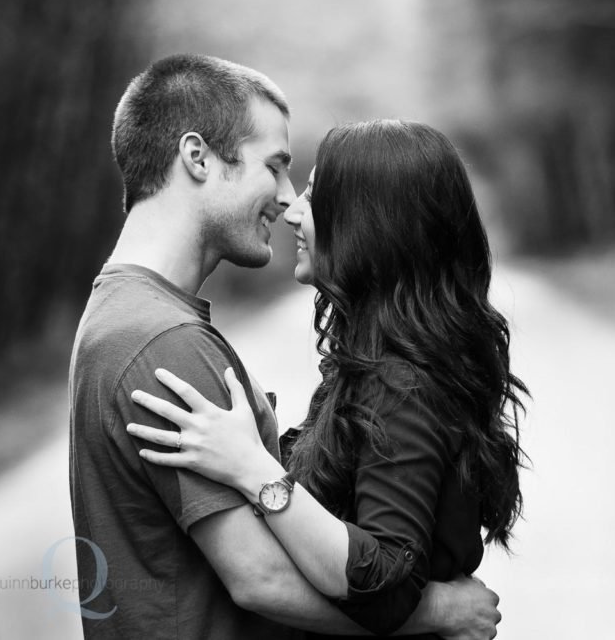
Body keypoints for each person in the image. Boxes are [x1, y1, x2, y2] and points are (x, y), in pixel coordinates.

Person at [69, 55, 501, 639]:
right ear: (197, 158)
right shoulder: (165, 342)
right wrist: (442, 611)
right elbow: (263, 580)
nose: (286, 198)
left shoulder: (120, 310)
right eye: (274, 167)